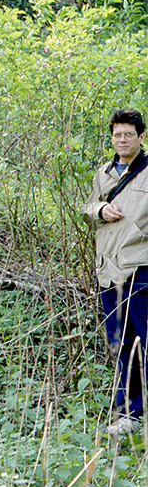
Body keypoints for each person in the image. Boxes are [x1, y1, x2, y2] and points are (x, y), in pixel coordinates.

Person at [83, 108, 148, 437]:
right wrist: (99, 209)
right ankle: (130, 415)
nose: (122, 140)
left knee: (146, 344)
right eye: (116, 135)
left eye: (128, 134)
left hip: (141, 269)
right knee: (121, 344)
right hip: (108, 272)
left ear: (141, 137)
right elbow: (88, 208)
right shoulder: (103, 174)